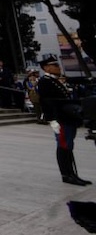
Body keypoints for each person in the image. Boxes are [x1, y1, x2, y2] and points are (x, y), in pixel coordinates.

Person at [37, 55, 90, 186]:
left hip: (67, 118)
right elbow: (46, 102)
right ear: (46, 68)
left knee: (68, 145)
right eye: (55, 65)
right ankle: (66, 175)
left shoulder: (55, 80)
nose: (58, 67)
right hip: (60, 119)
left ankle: (72, 173)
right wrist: (52, 120)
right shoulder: (45, 81)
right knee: (63, 146)